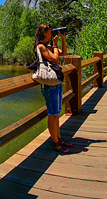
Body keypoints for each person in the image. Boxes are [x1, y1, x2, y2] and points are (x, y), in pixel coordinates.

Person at [35, 24, 73, 154]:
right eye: (50, 32)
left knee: (56, 114)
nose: (52, 34)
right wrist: (55, 45)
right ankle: (56, 143)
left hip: (55, 83)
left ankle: (59, 138)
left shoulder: (48, 47)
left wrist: (63, 38)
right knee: (52, 115)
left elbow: (64, 54)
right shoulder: (40, 47)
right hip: (49, 86)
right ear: (43, 33)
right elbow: (56, 59)